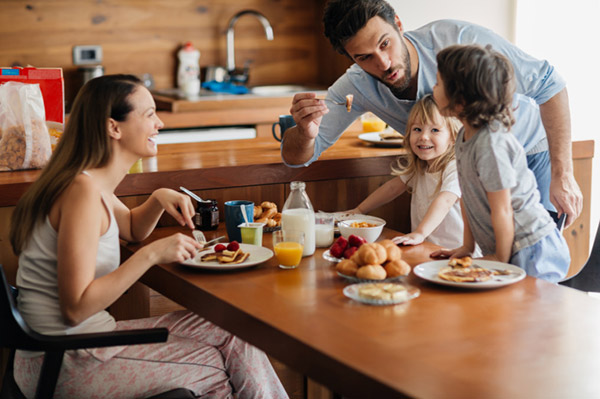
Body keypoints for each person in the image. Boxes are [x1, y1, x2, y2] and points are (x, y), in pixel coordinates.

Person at [9, 74, 288, 399]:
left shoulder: (85, 181)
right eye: (149, 114)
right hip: (64, 360)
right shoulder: (81, 193)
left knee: (236, 330)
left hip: (71, 344)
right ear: (114, 128)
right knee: (214, 367)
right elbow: (75, 308)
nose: (159, 123)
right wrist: (151, 254)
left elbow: (128, 227)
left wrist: (157, 198)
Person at [281, 0, 582, 228]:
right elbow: (299, 157)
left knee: (530, 270)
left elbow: (550, 85)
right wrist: (304, 134)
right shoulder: (353, 86)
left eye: (385, 43)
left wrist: (563, 173)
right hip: (468, 173)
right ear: (350, 58)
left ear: (398, 23)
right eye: (364, 57)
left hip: (528, 154)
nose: (384, 63)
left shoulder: (457, 39)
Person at [430, 44, 570, 282]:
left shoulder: (491, 145)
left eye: (438, 84)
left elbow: (503, 209)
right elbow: (468, 197)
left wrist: (500, 261)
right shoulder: (465, 137)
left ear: (461, 100)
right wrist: (467, 247)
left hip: (531, 248)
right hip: (509, 247)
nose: (432, 89)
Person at [346, 94, 470, 251]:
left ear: (453, 137)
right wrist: (359, 210)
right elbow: (392, 188)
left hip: (456, 253)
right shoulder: (421, 166)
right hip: (426, 247)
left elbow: (445, 201)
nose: (424, 137)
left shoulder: (455, 167)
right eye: (417, 129)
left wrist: (419, 232)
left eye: (435, 130)